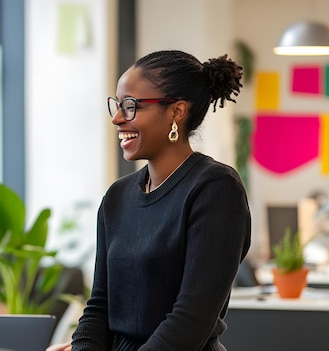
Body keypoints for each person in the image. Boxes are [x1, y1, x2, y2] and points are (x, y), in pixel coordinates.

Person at [48, 50, 250, 351]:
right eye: (116, 105)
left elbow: (191, 320)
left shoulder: (215, 188)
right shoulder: (117, 196)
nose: (117, 118)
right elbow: (99, 305)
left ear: (176, 112)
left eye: (130, 106)